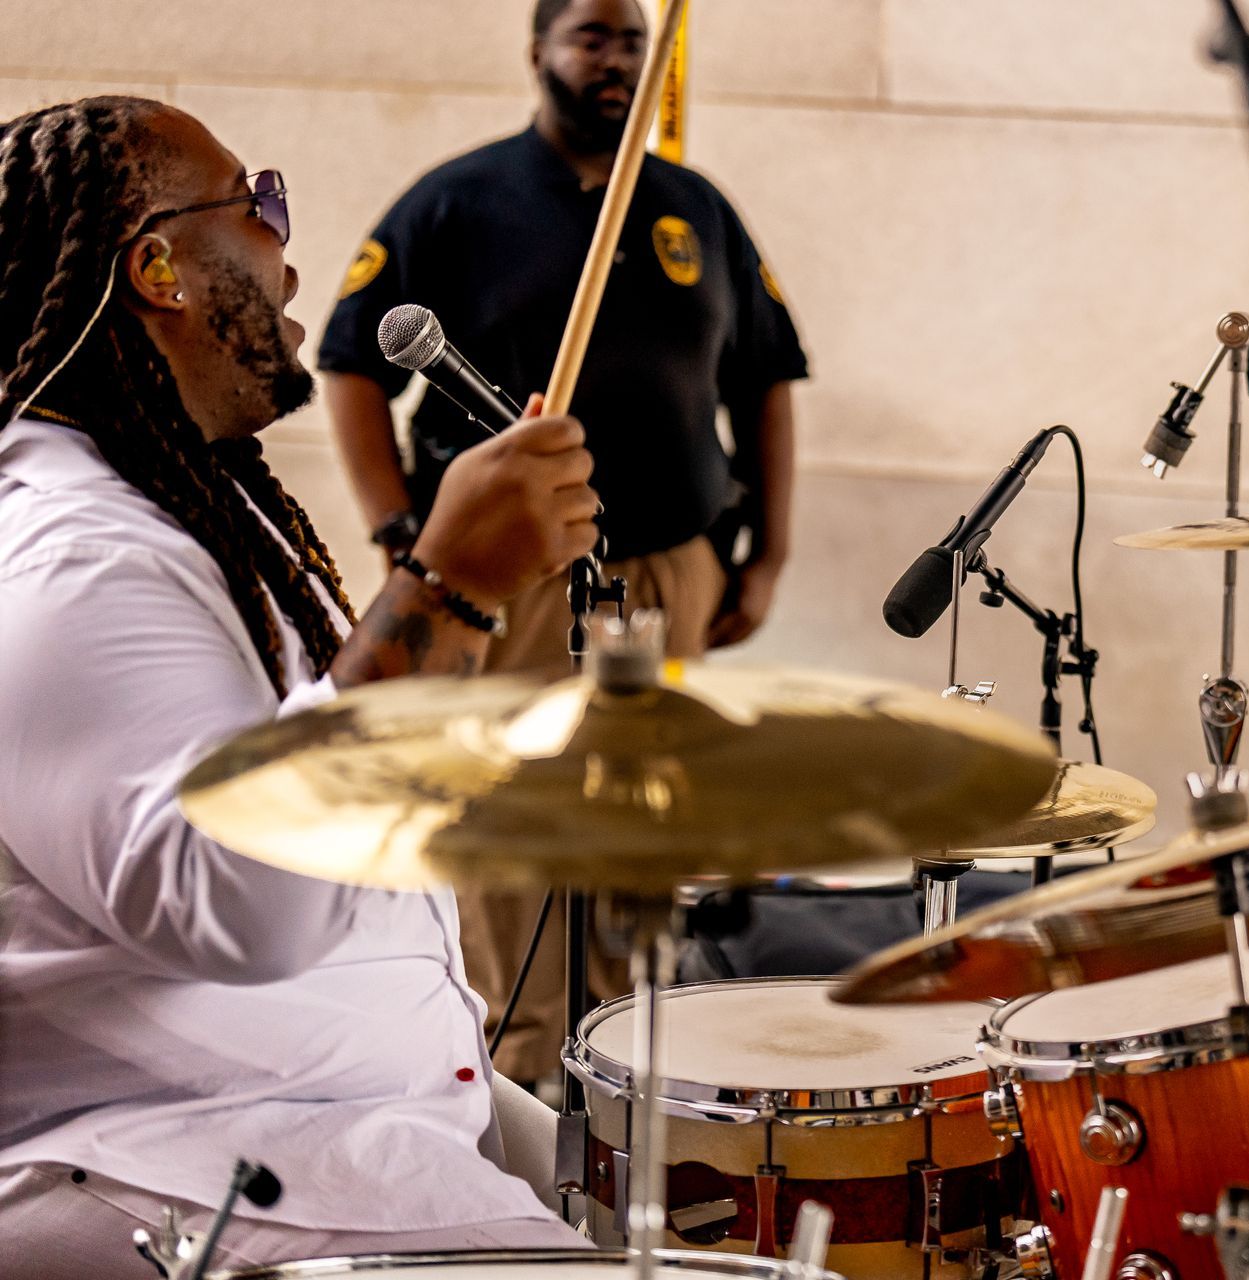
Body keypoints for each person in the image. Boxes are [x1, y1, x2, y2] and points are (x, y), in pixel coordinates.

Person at [0, 97, 600, 1277]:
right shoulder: (72, 558)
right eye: (259, 202)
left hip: (331, 1126)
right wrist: (448, 587)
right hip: (187, 1168)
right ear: (158, 267)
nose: (289, 251)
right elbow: (249, 901)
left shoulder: (182, 512)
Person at [318, 0, 808, 1083]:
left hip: (671, 569)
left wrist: (763, 554)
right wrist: (404, 528)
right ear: (537, 49)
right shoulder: (458, 200)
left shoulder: (695, 209)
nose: (615, 58)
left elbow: (767, 378)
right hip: (520, 578)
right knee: (515, 819)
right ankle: (517, 1074)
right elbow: (352, 360)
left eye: (633, 40)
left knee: (634, 826)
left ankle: (625, 1069)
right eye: (591, 35)